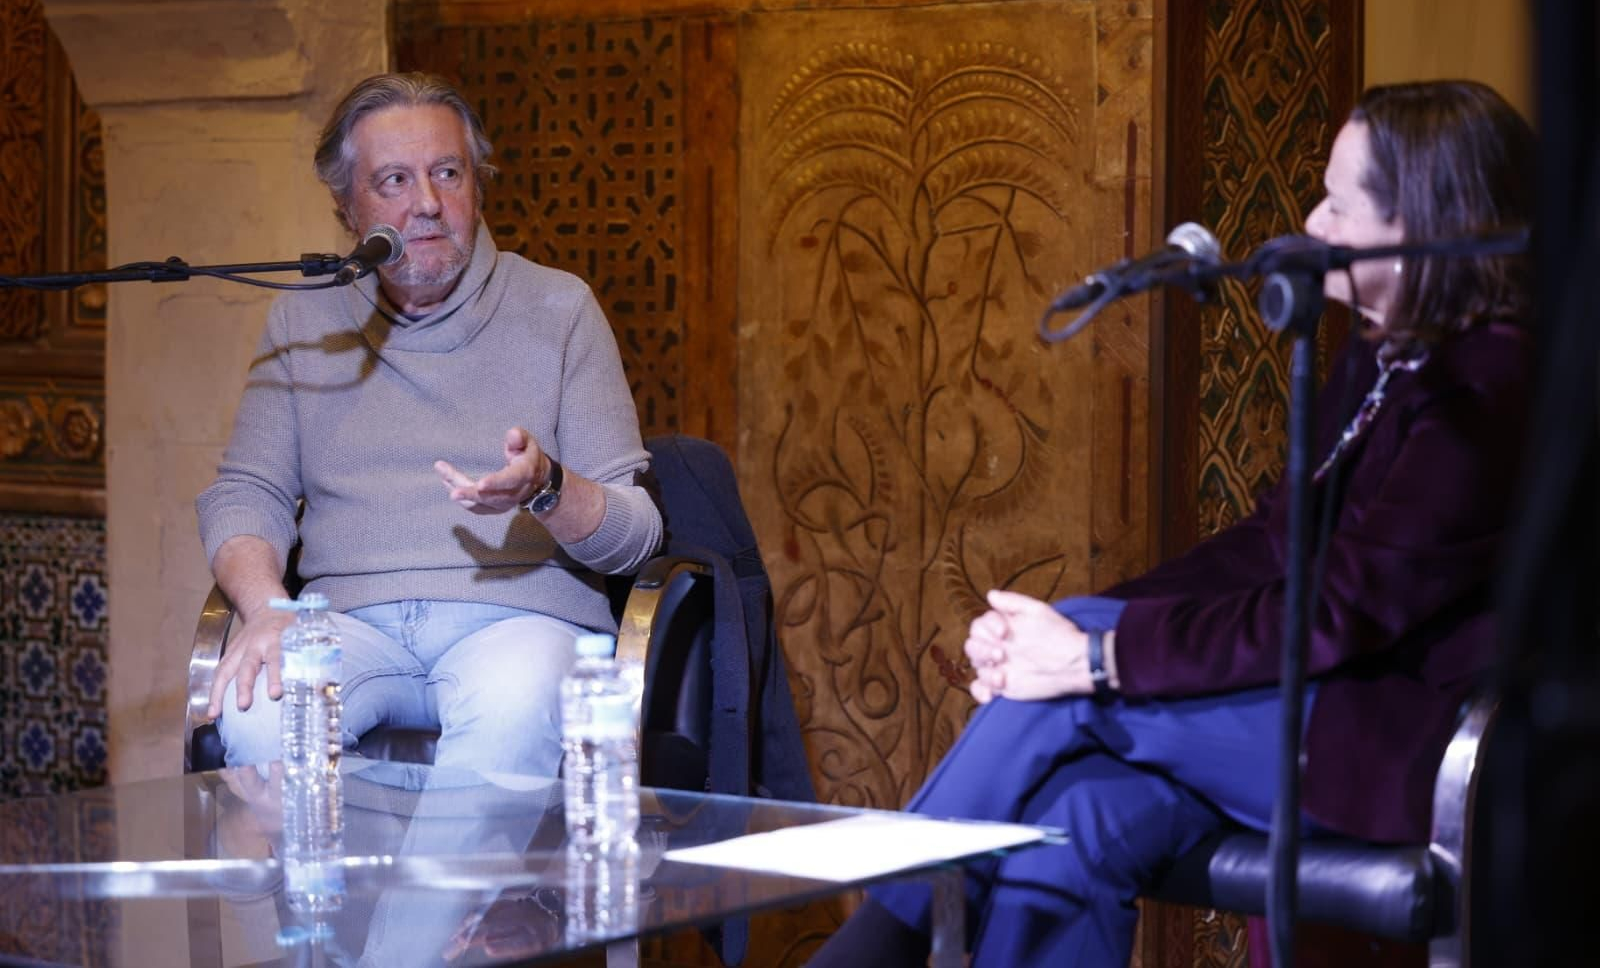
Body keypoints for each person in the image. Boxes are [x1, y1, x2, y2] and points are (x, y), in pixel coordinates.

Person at [810, 79, 1537, 966]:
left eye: (1339, 205)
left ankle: (875, 944)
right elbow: (1271, 544)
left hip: (1392, 745)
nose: (1311, 222)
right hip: (1302, 712)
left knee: (1059, 702)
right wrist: (1071, 632)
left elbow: (1338, 608)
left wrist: (1091, 655)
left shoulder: (1491, 386)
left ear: (1426, 223)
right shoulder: (1382, 354)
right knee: (1075, 820)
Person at [197, 72, 662, 778]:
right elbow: (245, 492)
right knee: (261, 711)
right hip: (346, 624)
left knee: (514, 710)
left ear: (478, 185)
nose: (427, 203)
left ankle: (410, 861)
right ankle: (379, 859)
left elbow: (638, 535)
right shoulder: (303, 318)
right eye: (394, 180)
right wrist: (266, 610)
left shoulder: (561, 308)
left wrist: (547, 487)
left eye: (448, 173)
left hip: (519, 624)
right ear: (347, 208)